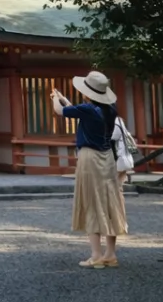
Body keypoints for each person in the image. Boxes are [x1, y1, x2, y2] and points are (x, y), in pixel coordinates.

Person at [52, 70, 128, 269]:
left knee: (91, 201)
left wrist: (54, 98)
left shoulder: (87, 109)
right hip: (107, 158)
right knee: (109, 202)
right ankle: (110, 254)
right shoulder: (110, 109)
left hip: (89, 157)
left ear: (87, 92)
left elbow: (60, 111)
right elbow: (74, 110)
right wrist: (64, 99)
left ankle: (96, 255)